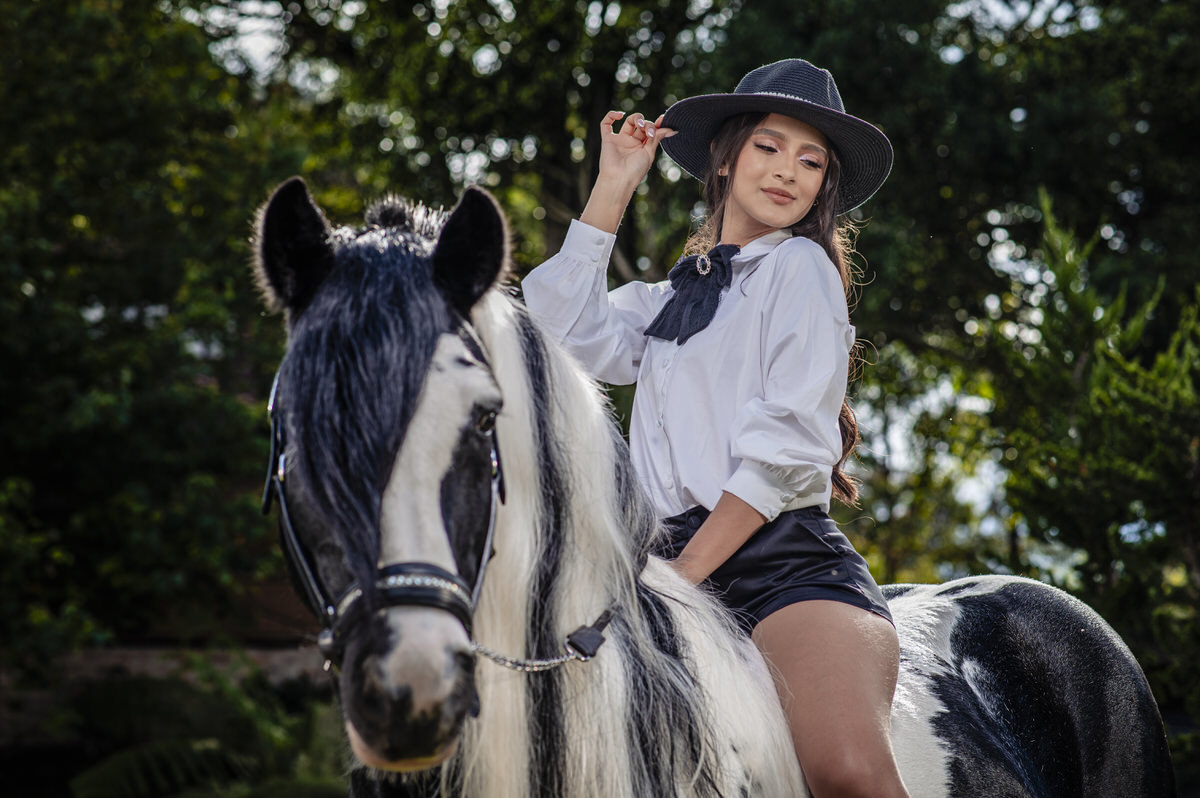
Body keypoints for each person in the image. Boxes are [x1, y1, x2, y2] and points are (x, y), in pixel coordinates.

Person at [521, 59, 910, 798]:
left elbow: (787, 454)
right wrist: (616, 184)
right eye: (768, 147)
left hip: (776, 564)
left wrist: (684, 578)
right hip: (660, 564)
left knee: (847, 774)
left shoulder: (799, 270)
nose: (787, 172)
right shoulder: (680, 292)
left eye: (810, 161)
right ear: (725, 157)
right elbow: (558, 333)